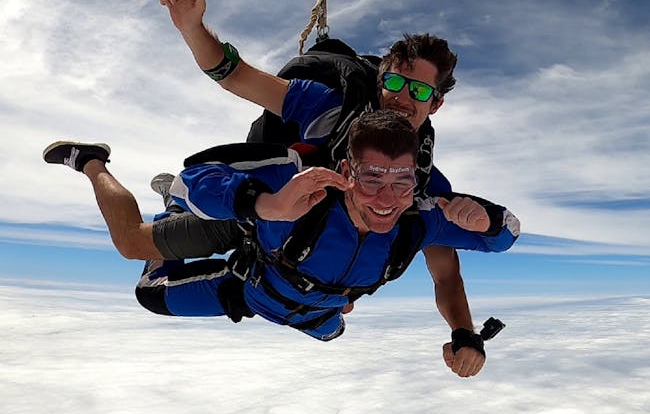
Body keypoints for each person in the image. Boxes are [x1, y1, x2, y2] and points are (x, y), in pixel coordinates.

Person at [158, 0, 494, 372]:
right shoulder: (330, 110)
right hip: (260, 214)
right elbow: (236, 76)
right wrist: (193, 28)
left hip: (306, 263)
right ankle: (176, 199)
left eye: (419, 91)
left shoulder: (420, 183)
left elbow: (445, 274)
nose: (402, 98)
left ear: (435, 104)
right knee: (147, 264)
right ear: (378, 80)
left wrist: (464, 332)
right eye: (393, 82)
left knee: (333, 324)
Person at [44, 111, 519, 376]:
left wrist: (487, 218)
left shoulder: (419, 220)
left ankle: (326, 315)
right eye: (372, 178)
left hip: (320, 316)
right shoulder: (301, 186)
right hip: (248, 289)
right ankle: (92, 163)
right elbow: (195, 176)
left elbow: (507, 236)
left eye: (400, 182)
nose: (385, 199)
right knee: (148, 288)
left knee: (334, 330)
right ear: (347, 173)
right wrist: (265, 205)